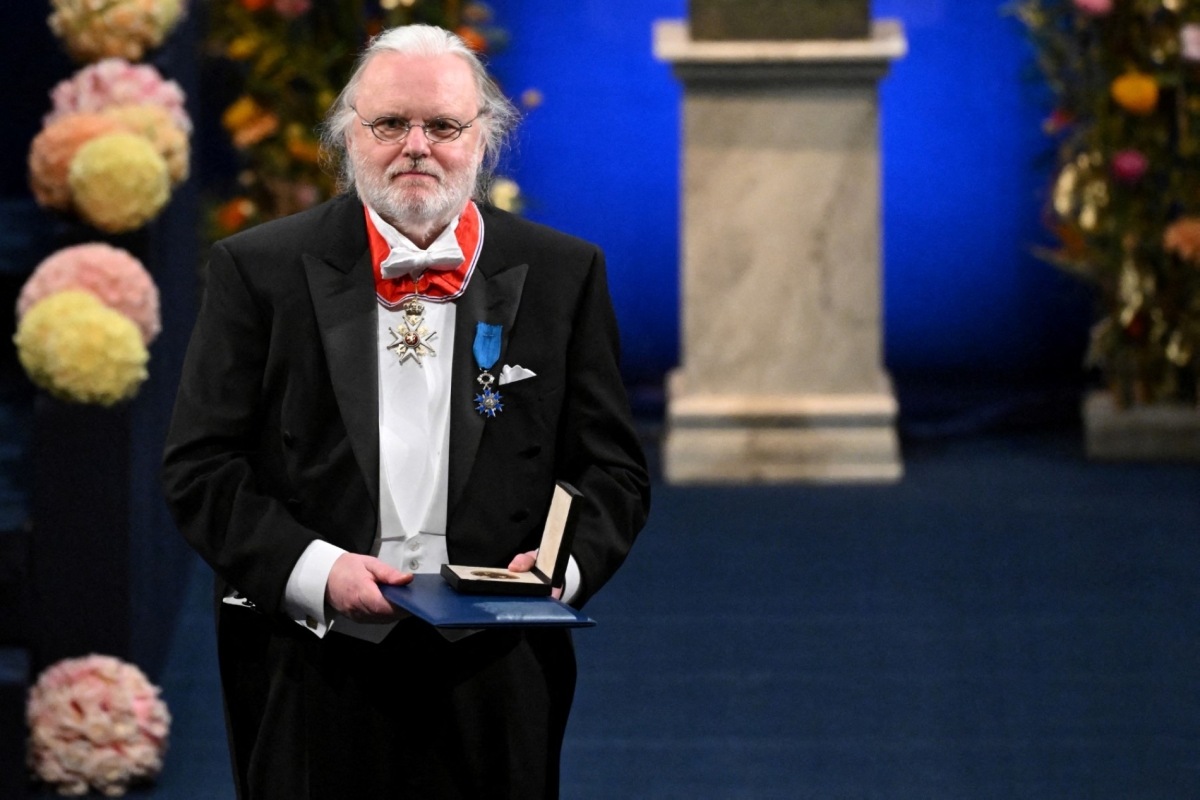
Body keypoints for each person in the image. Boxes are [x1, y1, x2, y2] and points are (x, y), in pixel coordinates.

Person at [162, 24, 650, 800]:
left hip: (497, 661)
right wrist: (320, 572)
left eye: (443, 126)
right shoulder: (257, 271)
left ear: (483, 139)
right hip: (311, 654)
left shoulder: (565, 273)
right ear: (347, 135)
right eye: (390, 123)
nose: (416, 146)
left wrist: (563, 567)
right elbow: (201, 468)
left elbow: (613, 470)